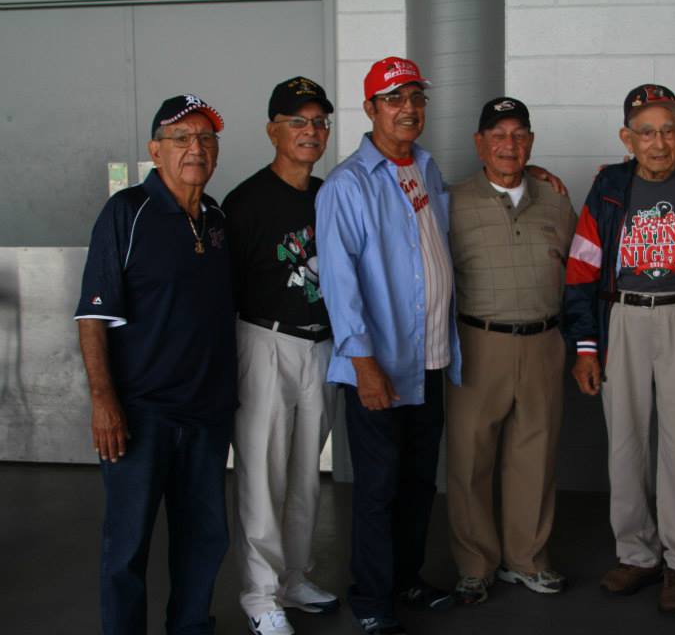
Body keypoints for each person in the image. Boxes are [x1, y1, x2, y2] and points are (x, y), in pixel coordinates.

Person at [75, 94, 236, 635]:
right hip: (140, 416)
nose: (196, 148)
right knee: (128, 546)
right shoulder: (126, 213)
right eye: (182, 138)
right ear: (155, 150)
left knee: (205, 539)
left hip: (207, 416)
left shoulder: (216, 220)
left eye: (206, 139)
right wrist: (103, 401)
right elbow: (92, 318)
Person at [565, 83, 675, 614]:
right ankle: (637, 553)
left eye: (668, 130)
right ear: (626, 138)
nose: (659, 142)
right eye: (647, 132)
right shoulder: (610, 187)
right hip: (624, 317)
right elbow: (582, 267)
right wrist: (586, 346)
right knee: (626, 442)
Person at [316, 56, 460, 635]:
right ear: (371, 108)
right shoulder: (347, 184)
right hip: (379, 364)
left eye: (416, 98)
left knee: (419, 481)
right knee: (377, 488)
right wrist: (364, 363)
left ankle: (407, 579)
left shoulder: (427, 169)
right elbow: (339, 284)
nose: (409, 109)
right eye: (395, 99)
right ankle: (372, 597)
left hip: (428, 358)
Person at [446, 97, 577, 604]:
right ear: (480, 144)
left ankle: (526, 560)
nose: (509, 145)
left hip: (544, 342)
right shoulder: (451, 201)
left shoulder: (556, 200)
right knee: (469, 460)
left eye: (519, 134)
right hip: (478, 343)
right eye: (497, 135)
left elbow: (578, 271)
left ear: (531, 143)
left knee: (535, 458)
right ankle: (475, 565)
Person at [223, 76, 339, 635]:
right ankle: (260, 593)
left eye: (318, 122)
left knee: (305, 475)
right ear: (273, 129)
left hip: (321, 344)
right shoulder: (244, 202)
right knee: (262, 475)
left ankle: (294, 578)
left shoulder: (328, 194)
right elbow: (223, 288)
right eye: (298, 122)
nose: (310, 132)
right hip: (264, 341)